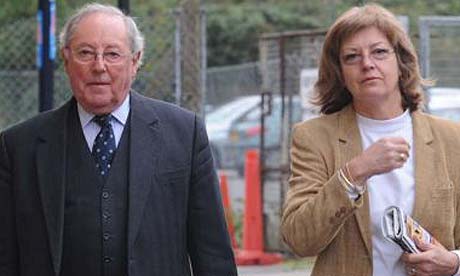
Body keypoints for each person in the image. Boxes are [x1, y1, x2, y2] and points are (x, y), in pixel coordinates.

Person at [0, 3, 237, 276]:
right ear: (66, 60)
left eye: (112, 54)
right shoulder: (19, 148)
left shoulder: (185, 134)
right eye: (85, 53)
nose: (99, 66)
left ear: (135, 61)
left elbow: (213, 255)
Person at [280, 4, 460, 276]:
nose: (367, 64)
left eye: (379, 52)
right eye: (352, 57)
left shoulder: (451, 137)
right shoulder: (313, 137)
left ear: (401, 61)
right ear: (340, 72)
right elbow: (299, 239)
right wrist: (355, 173)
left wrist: (454, 263)